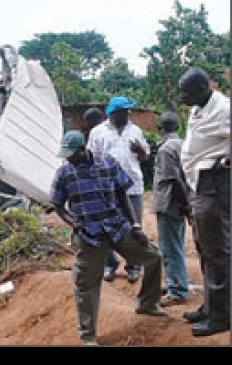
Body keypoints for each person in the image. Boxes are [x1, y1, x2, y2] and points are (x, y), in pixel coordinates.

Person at [50, 130, 165, 345]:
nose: (68, 158)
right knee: (86, 285)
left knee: (154, 256)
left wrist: (136, 225)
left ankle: (148, 304)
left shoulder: (107, 163)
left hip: (117, 227)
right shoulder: (64, 173)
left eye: (71, 154)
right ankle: (88, 336)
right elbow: (57, 203)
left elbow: (123, 194)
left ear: (83, 150)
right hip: (89, 235)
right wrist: (71, 221)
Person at [178, 67, 230, 337]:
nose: (181, 98)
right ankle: (211, 307)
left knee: (217, 251)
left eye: (185, 92)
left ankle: (221, 316)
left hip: (215, 183)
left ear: (201, 87)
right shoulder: (197, 109)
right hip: (197, 184)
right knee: (203, 247)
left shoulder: (224, 109)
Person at [87, 96, 149, 283]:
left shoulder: (135, 130)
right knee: (106, 228)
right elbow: (91, 159)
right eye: (125, 111)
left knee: (135, 228)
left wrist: (140, 150)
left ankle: (134, 265)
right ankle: (110, 264)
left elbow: (145, 157)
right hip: (108, 190)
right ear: (114, 113)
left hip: (133, 187)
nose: (129, 113)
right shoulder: (98, 132)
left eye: (129, 110)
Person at [152, 112, 190, 307]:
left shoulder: (166, 149)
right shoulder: (182, 144)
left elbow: (174, 180)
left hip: (170, 204)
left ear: (160, 127)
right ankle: (176, 282)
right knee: (176, 244)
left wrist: (185, 204)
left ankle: (177, 290)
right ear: (177, 126)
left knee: (170, 248)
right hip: (179, 203)